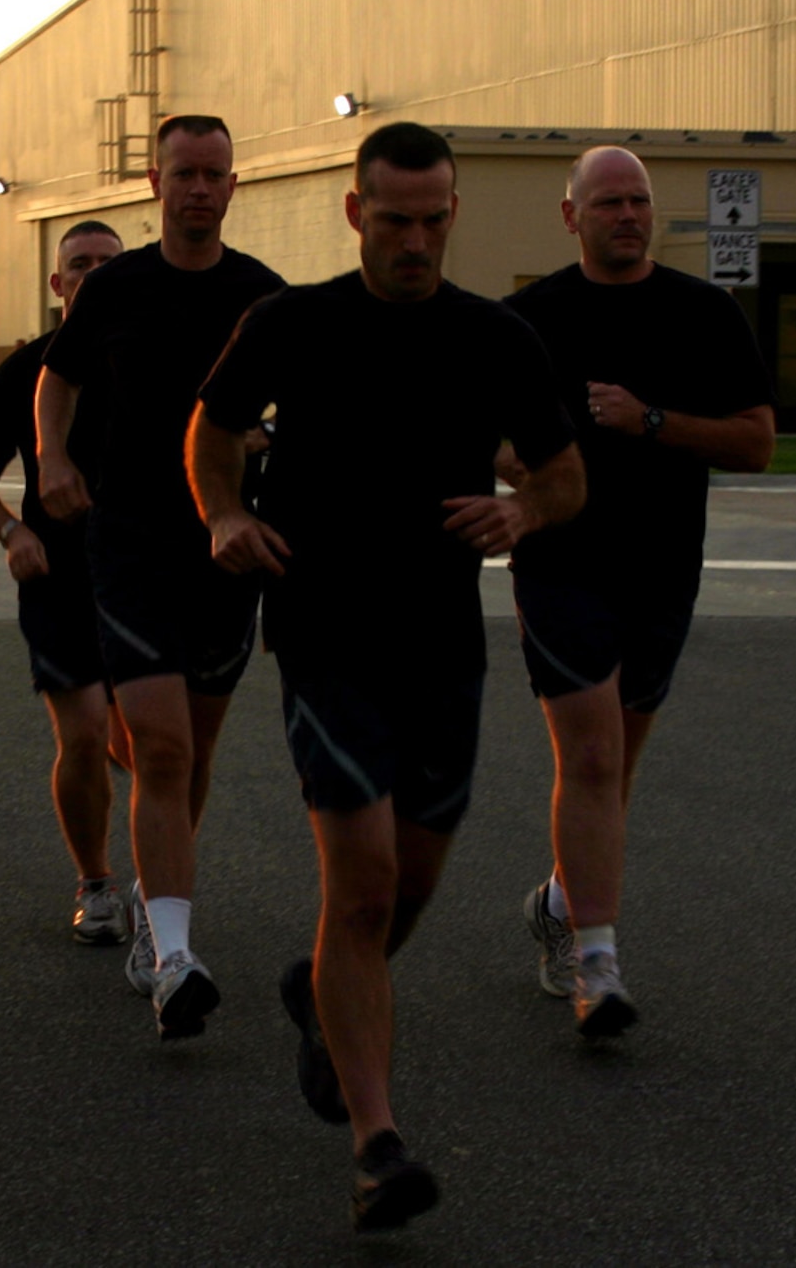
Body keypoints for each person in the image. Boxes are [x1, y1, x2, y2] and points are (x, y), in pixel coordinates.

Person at [188, 121, 584, 1230]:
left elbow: (562, 475)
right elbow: (209, 430)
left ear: (451, 212)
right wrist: (220, 513)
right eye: (393, 217)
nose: (414, 238)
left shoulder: (494, 338)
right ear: (355, 212)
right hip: (320, 631)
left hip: (441, 645)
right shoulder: (290, 321)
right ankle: (376, 1143)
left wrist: (520, 509)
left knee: (403, 889)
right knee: (358, 883)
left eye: (432, 217)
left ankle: (318, 993)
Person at [505, 146, 774, 1035]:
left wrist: (651, 420)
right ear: (570, 214)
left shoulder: (705, 313)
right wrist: (518, 466)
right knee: (587, 759)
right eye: (609, 201)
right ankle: (598, 967)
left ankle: (556, 899)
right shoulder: (531, 318)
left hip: (663, 568)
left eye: (640, 200)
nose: (627, 214)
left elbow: (755, 443)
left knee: (611, 772)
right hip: (559, 564)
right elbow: (479, 432)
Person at [35, 114, 284, 1038]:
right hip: (130, 540)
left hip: (226, 547)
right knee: (165, 748)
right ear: (155, 181)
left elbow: (304, 400)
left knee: (194, 754)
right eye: (183, 172)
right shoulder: (115, 288)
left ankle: (155, 893)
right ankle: (172, 955)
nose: (198, 188)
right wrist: (51, 454)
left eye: (214, 173)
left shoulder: (263, 295)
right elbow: (55, 378)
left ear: (231, 184)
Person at [0, 219, 136, 943]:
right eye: (78, 264)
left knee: (148, 743)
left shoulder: (156, 359)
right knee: (85, 732)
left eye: (107, 264)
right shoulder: (26, 368)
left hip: (146, 575)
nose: (92, 274)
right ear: (57, 283)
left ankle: (161, 883)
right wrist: (12, 530)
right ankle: (96, 883)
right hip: (59, 577)